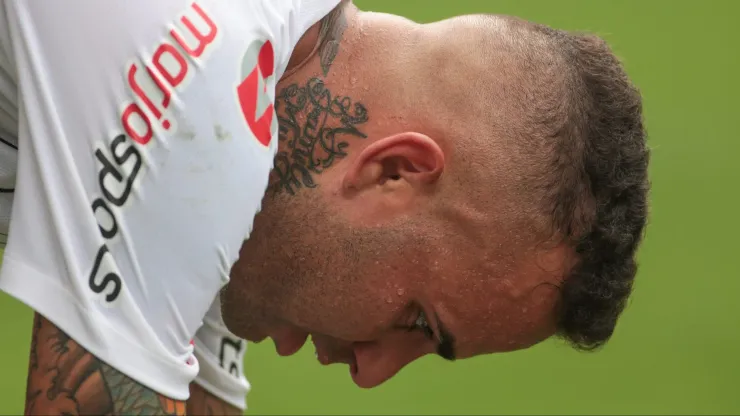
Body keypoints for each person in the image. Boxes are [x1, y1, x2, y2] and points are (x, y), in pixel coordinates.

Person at [0, 0, 650, 414]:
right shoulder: (201, 104)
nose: (370, 372)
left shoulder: (256, 120)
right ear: (392, 173)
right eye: (417, 323)